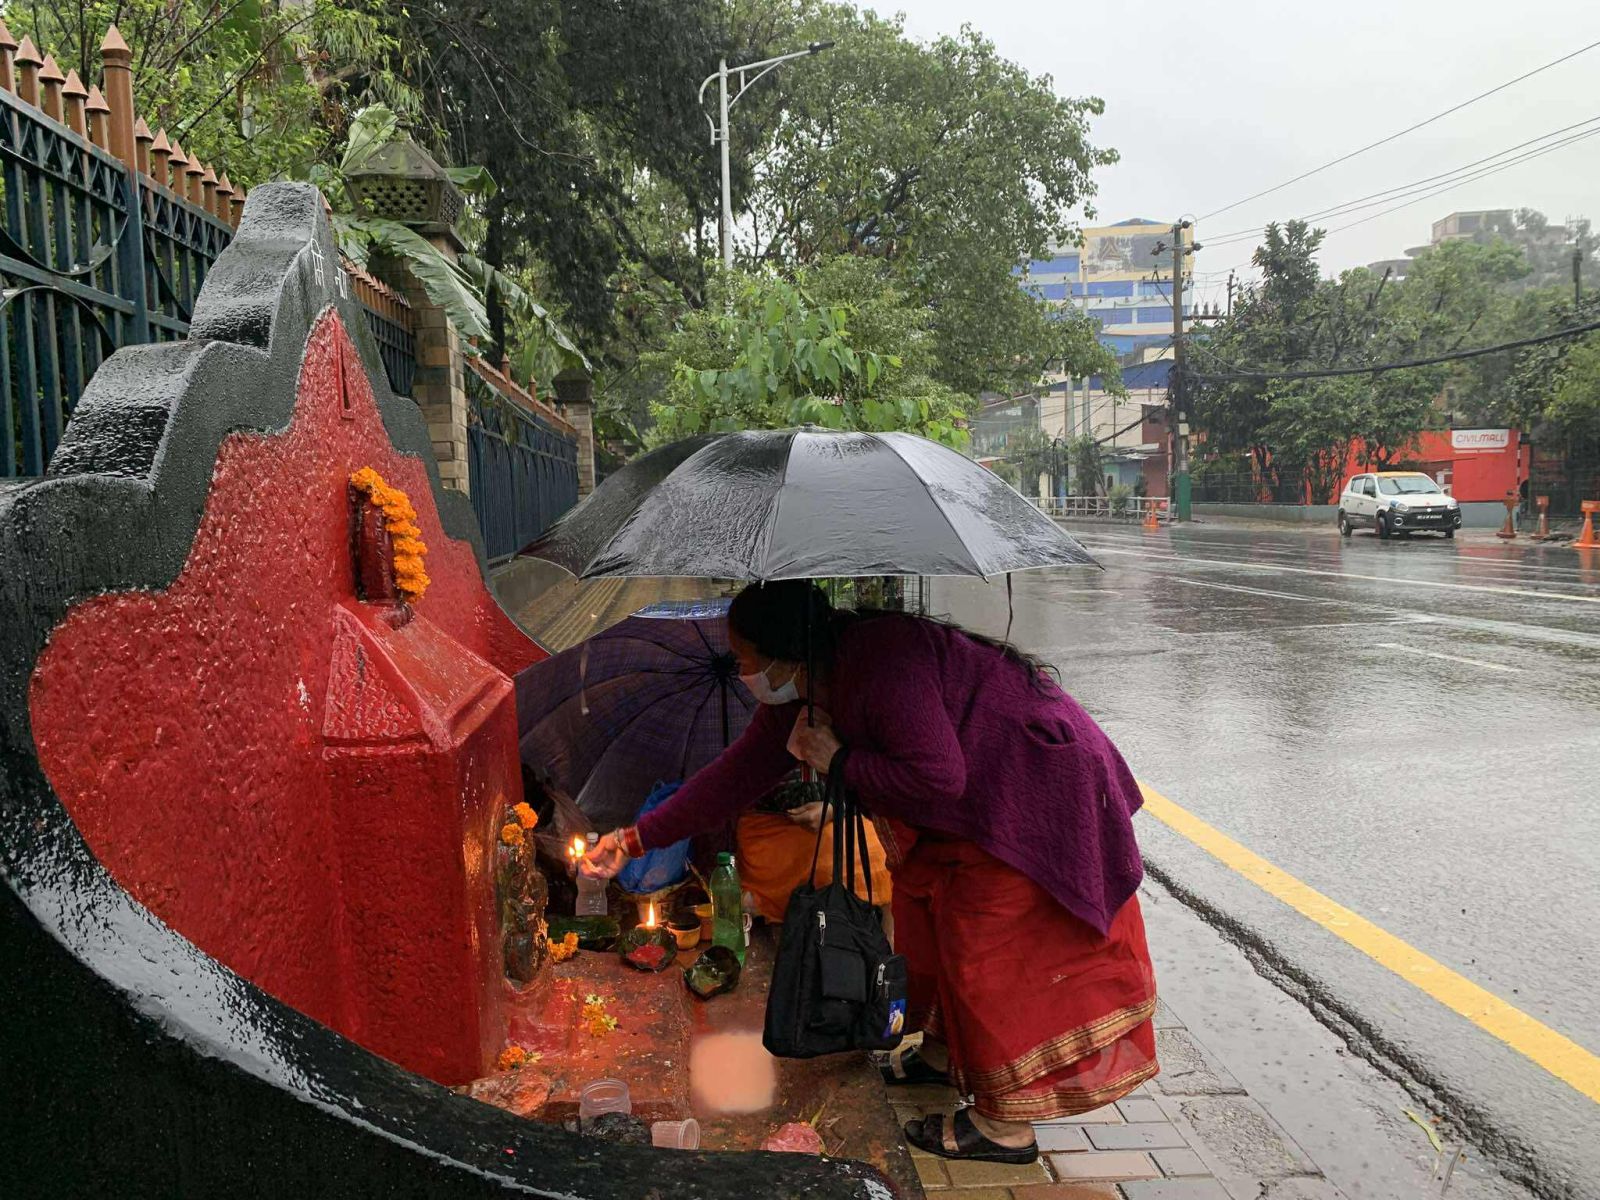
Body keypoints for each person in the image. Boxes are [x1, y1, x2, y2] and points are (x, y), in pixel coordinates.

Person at [583, 581, 1157, 1164]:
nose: (743, 672)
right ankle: (939, 1055)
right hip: (965, 807)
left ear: (787, 653)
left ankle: (1004, 1128)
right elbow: (736, 775)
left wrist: (838, 760)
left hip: (1029, 790)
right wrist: (634, 838)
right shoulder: (803, 689)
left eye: (745, 657)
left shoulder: (881, 665)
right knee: (926, 927)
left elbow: (939, 778)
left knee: (985, 951)